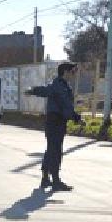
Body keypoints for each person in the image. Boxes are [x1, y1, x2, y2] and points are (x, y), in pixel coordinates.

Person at [25, 62, 86, 191]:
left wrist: (33, 90)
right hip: (56, 121)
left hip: (54, 121)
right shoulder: (60, 86)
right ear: (65, 72)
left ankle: (45, 178)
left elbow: (45, 90)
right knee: (56, 151)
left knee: (51, 149)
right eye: (72, 71)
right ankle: (56, 181)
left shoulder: (59, 85)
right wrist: (77, 118)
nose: (73, 74)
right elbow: (66, 105)